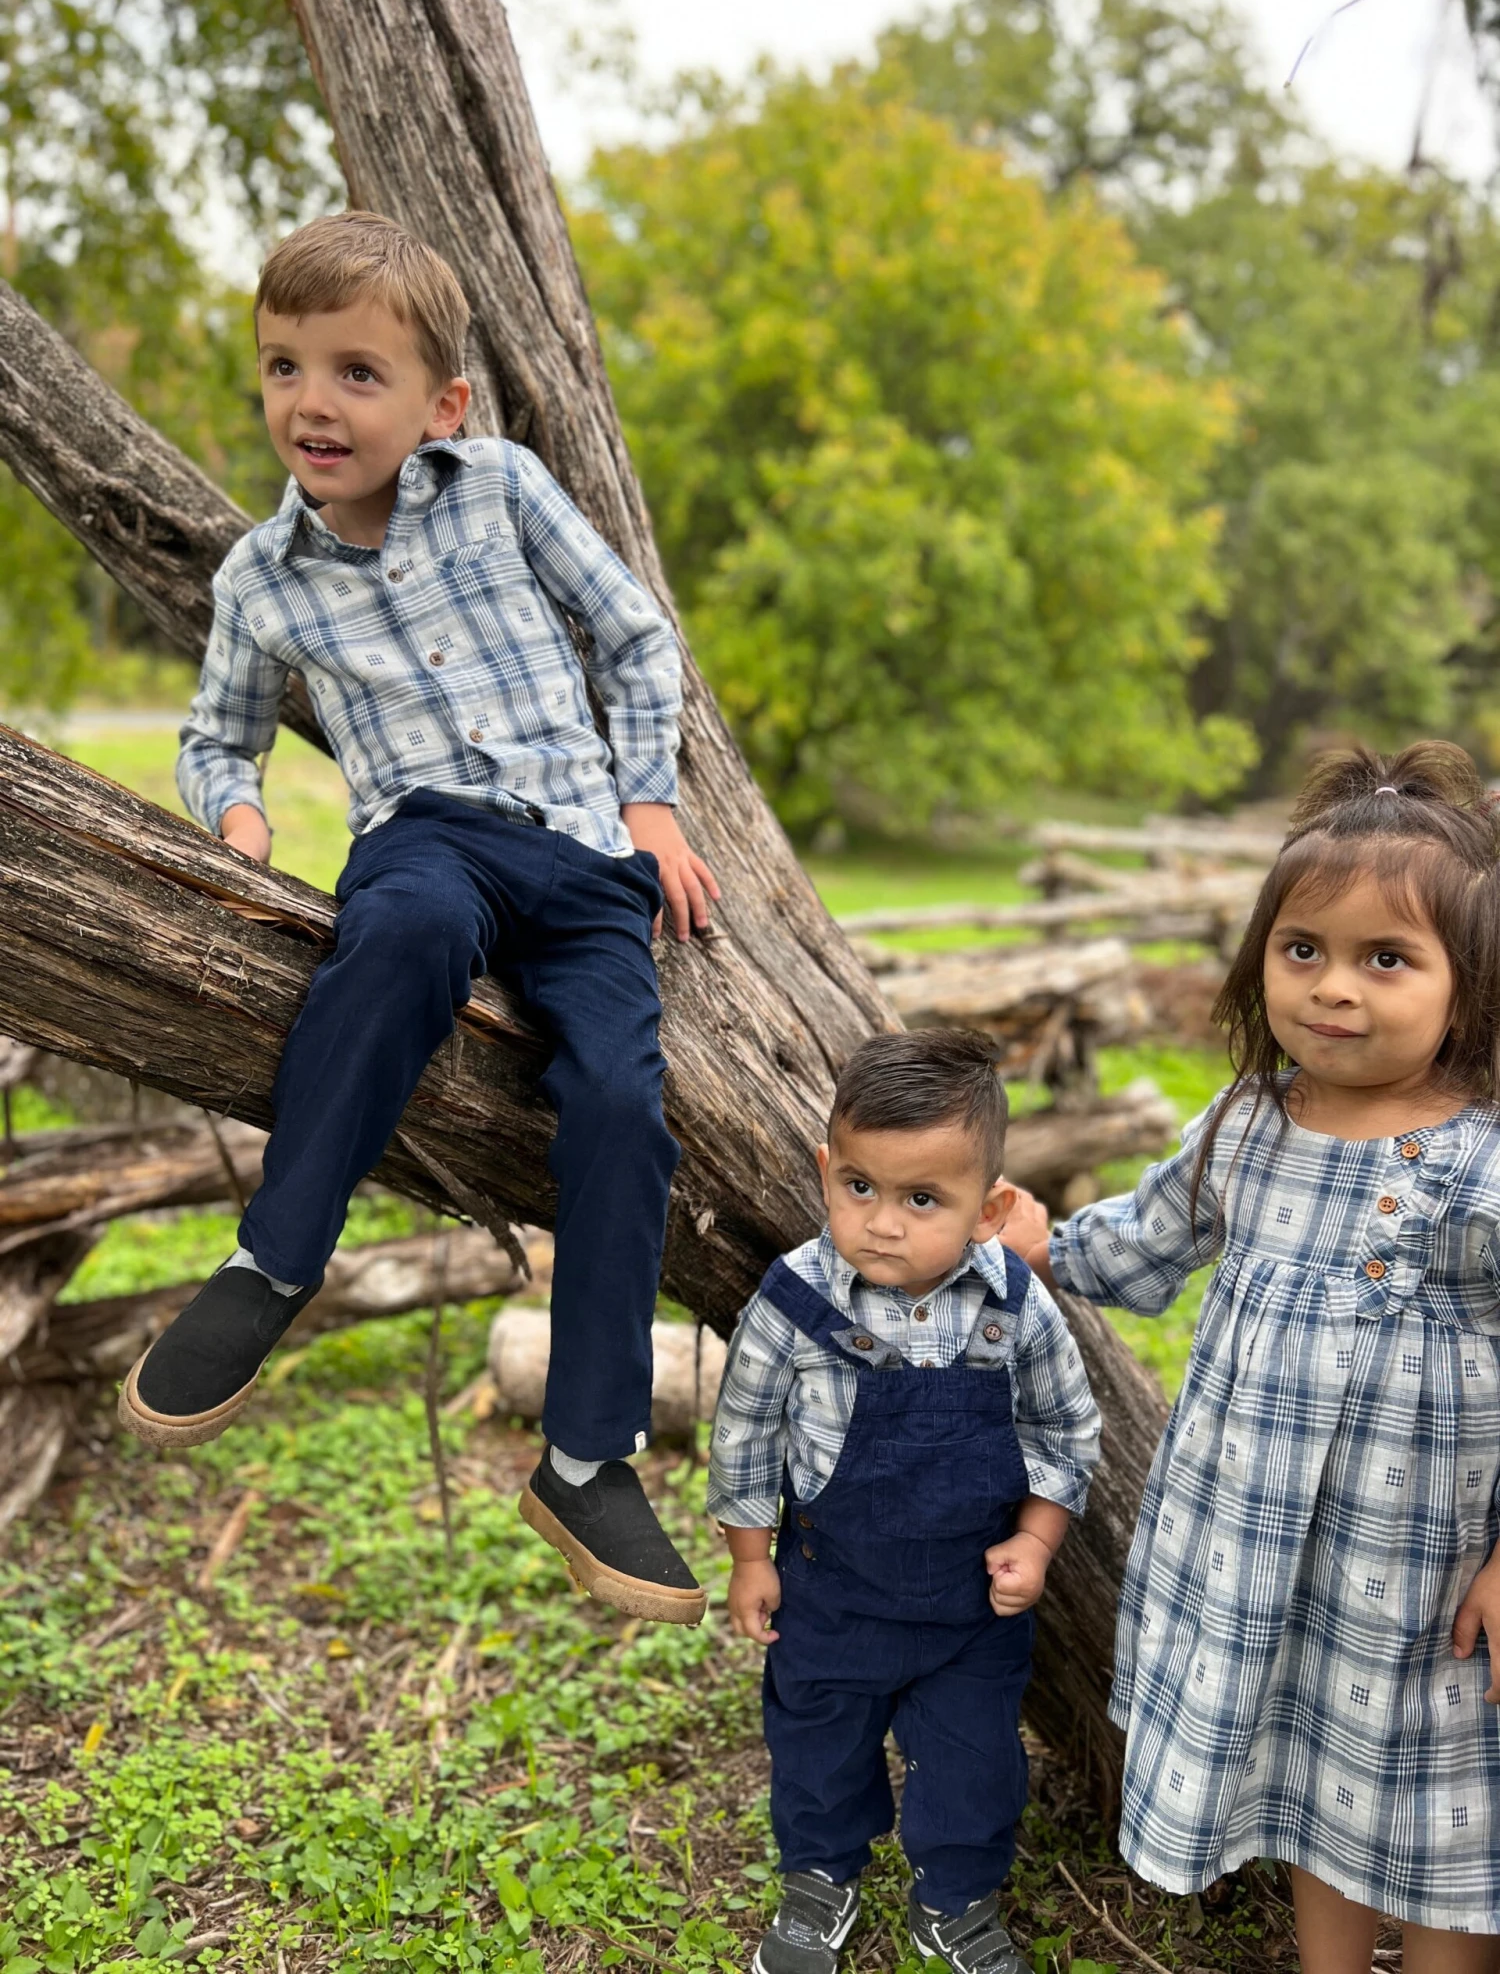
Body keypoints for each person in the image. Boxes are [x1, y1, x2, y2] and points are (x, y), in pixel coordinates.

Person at [118, 210, 721, 1627]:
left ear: (441, 403)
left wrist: (651, 805)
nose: (311, 403)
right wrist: (245, 829)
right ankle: (274, 1260)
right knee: (391, 937)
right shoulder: (260, 581)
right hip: (427, 840)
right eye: (283, 367)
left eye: (355, 373)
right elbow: (219, 742)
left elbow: (634, 637)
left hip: (583, 859)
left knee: (627, 1108)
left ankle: (587, 1458)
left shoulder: (502, 486)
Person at [1005, 742, 1500, 1972]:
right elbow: (1142, 1244)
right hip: (1263, 1538)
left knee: (1446, 1805)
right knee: (1309, 1768)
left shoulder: (1487, 1158)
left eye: (1388, 958)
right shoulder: (1250, 1122)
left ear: (1469, 983)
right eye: (1304, 949)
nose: (1335, 987)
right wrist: (1040, 1244)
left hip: (1430, 1564)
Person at [709, 1027, 1100, 1974]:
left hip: (971, 1605)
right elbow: (748, 1429)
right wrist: (751, 1558)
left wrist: (1038, 1542)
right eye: (860, 1188)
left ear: (989, 1208)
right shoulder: (797, 1298)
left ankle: (956, 1901)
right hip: (829, 1591)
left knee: (974, 1763)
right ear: (826, 1169)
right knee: (817, 1748)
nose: (884, 1222)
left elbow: (1064, 1428)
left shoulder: (1014, 1303)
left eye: (922, 1199)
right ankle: (819, 1882)